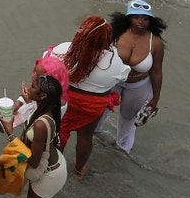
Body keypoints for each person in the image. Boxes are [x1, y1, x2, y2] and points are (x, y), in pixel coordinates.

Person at [50, 15, 130, 179]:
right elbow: (123, 77)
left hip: (65, 101)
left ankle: (53, 171)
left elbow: (48, 63)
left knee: (59, 135)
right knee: (85, 137)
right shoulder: (114, 61)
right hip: (92, 105)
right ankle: (79, 171)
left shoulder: (63, 50)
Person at [0, 74, 66, 198]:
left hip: (49, 174)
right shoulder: (47, 108)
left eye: (34, 86)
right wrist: (29, 97)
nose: (29, 87)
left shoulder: (40, 125)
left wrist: (10, 133)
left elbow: (34, 161)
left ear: (43, 96)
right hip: (54, 163)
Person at [106, 0, 166, 153]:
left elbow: (157, 72)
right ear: (129, 18)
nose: (141, 21)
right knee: (100, 110)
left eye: (145, 18)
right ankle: (94, 137)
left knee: (128, 118)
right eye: (137, 17)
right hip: (113, 80)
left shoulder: (156, 43)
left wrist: (155, 100)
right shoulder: (115, 33)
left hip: (138, 85)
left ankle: (123, 149)